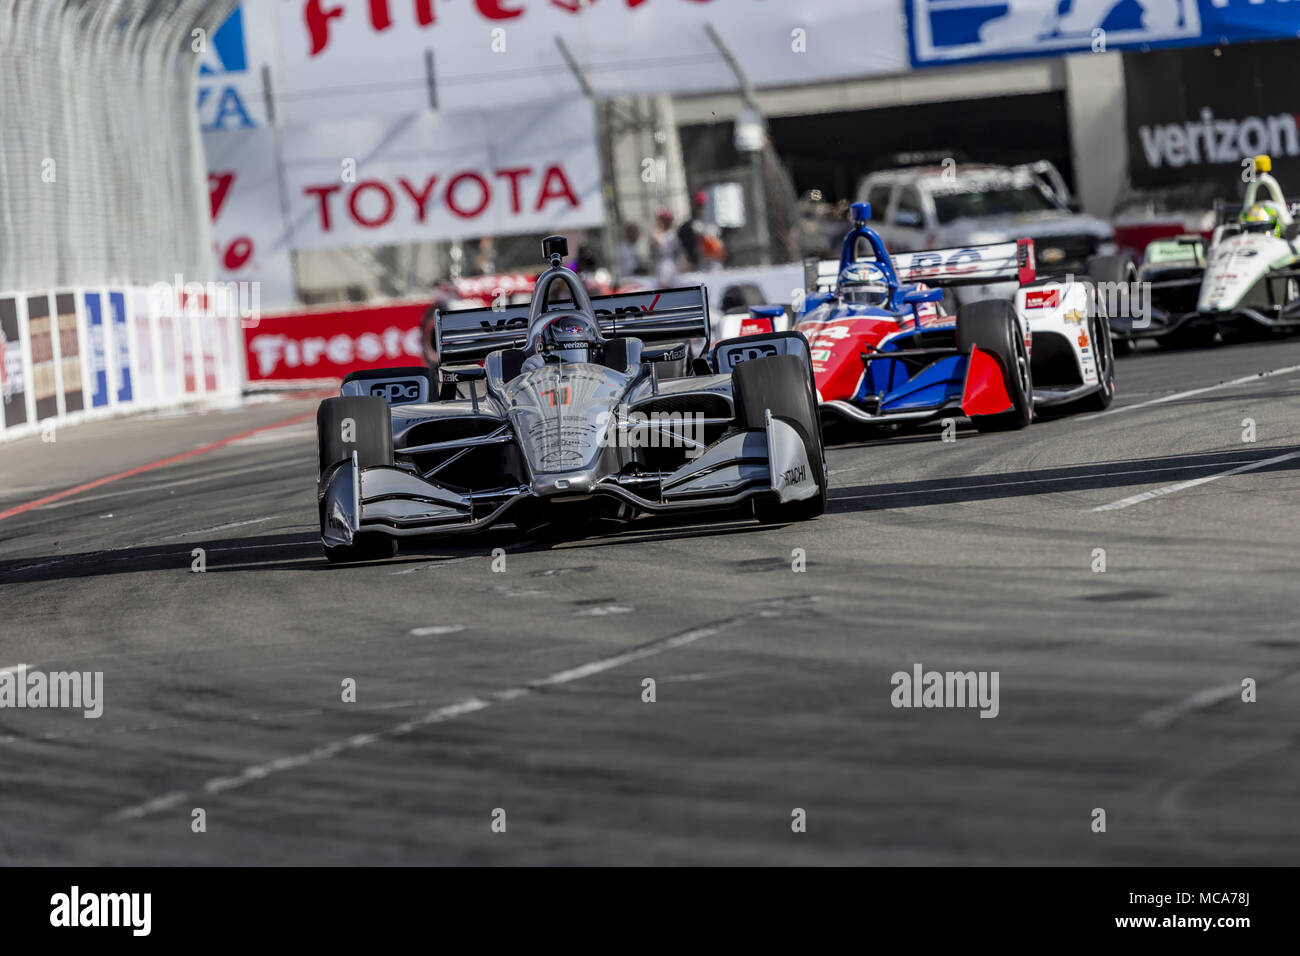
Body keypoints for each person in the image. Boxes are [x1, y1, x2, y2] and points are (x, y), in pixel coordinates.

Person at [519, 312, 604, 374]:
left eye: (579, 353)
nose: (574, 369)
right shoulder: (534, 367)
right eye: (565, 356)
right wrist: (527, 378)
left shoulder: (605, 379)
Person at [651, 209, 682, 286]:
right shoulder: (658, 232)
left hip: (671, 262)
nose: (668, 222)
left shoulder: (672, 233)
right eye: (665, 220)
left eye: (669, 220)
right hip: (662, 262)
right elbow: (656, 242)